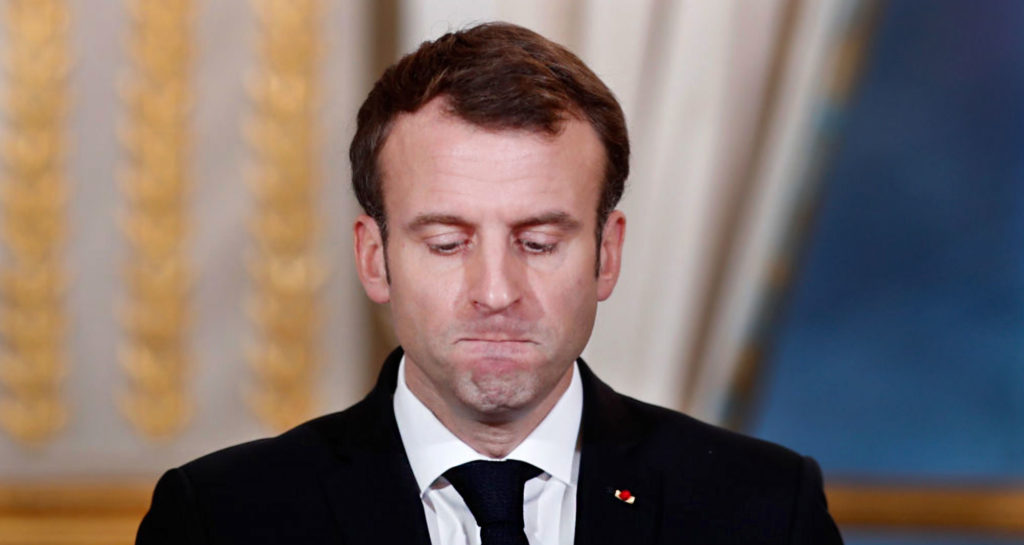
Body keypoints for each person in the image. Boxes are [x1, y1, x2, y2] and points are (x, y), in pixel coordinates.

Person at [136, 22, 843, 545]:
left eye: (539, 242)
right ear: (375, 258)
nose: (497, 291)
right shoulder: (221, 519)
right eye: (448, 243)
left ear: (607, 255)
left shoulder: (764, 510)